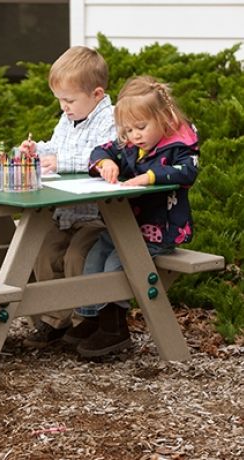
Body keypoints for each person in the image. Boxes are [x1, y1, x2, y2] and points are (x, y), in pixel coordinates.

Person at [66, 75, 200, 358]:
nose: (134, 135)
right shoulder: (130, 144)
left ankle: (114, 328)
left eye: (141, 127)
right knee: (95, 256)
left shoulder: (177, 146)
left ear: (163, 118)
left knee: (117, 263)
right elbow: (101, 149)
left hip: (159, 231)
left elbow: (187, 172)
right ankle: (92, 318)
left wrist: (148, 177)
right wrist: (106, 163)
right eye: (128, 129)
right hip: (123, 226)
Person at [19, 46, 116, 348]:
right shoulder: (69, 117)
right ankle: (53, 319)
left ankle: (84, 320)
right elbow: (56, 146)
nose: (63, 107)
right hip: (65, 213)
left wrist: (60, 162)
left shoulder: (109, 118)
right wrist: (37, 152)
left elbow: (102, 155)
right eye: (60, 100)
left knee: (77, 256)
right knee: (44, 250)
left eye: (69, 100)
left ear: (97, 94)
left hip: (98, 217)